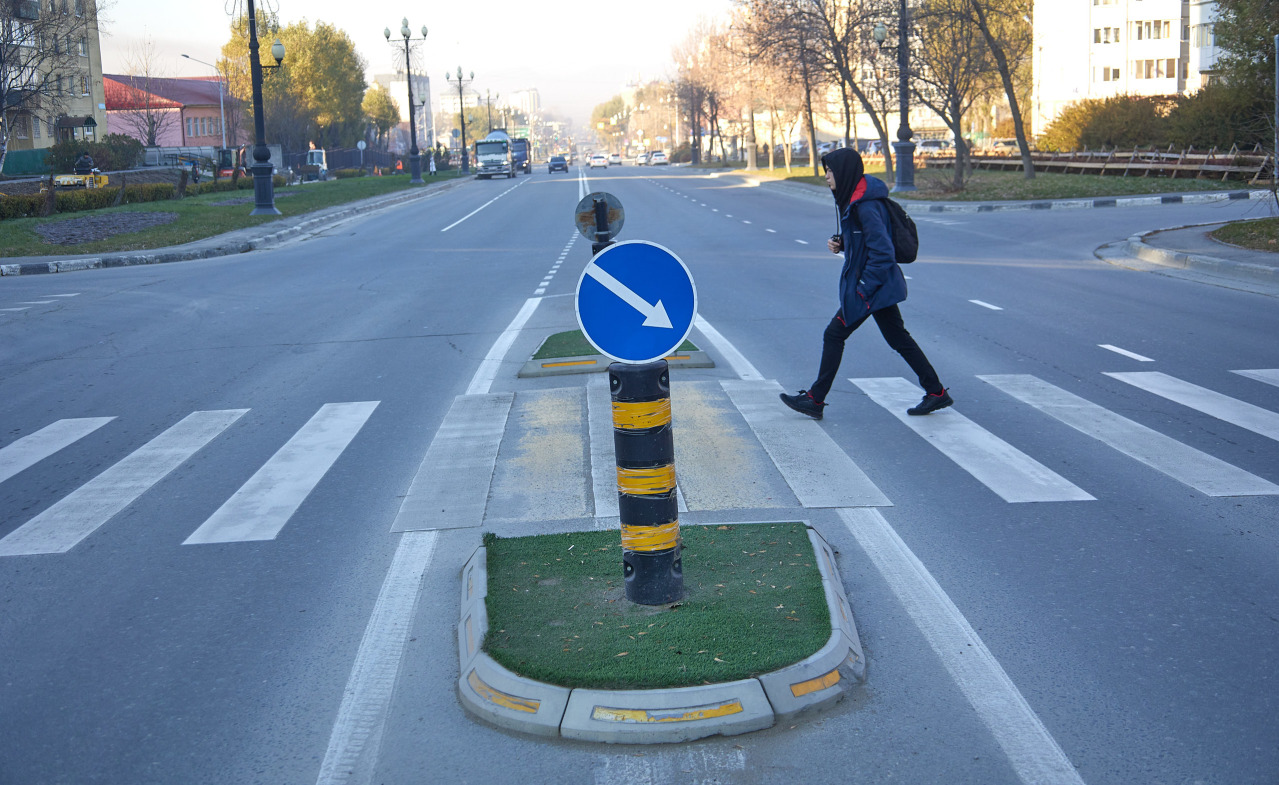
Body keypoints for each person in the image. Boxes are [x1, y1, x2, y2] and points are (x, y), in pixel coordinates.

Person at [780, 148, 952, 420]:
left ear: (844, 173)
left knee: (834, 334)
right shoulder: (855, 200)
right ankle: (936, 392)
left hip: (873, 288)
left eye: (830, 171)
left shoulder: (867, 206)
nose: (826, 177)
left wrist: (862, 288)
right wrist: (844, 244)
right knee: (899, 339)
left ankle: (815, 399)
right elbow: (866, 245)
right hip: (877, 288)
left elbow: (882, 253)